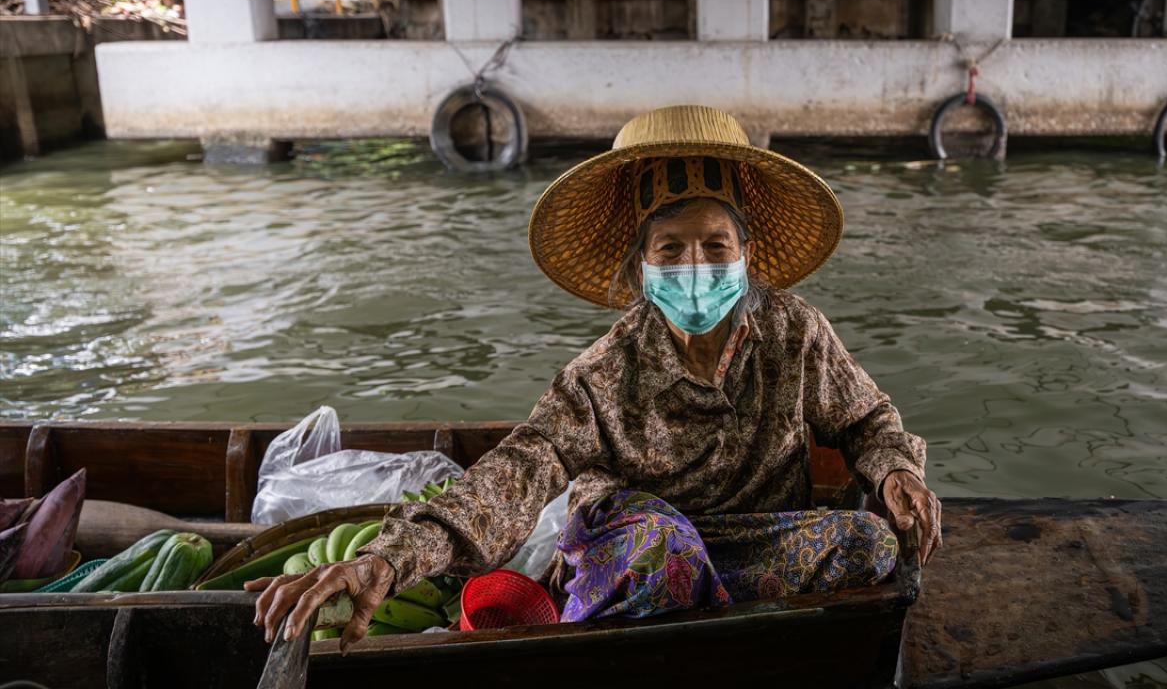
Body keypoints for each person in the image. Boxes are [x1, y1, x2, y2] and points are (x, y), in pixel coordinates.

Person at [249, 104, 942, 650]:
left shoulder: (796, 332)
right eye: (670, 250)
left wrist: (894, 473)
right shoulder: (606, 370)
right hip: (639, 552)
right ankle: (704, 632)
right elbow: (514, 475)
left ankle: (711, 622)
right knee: (659, 548)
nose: (694, 267)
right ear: (641, 265)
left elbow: (865, 421)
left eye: (715, 246)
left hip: (751, 543)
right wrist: (386, 563)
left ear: (747, 253)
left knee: (870, 543)